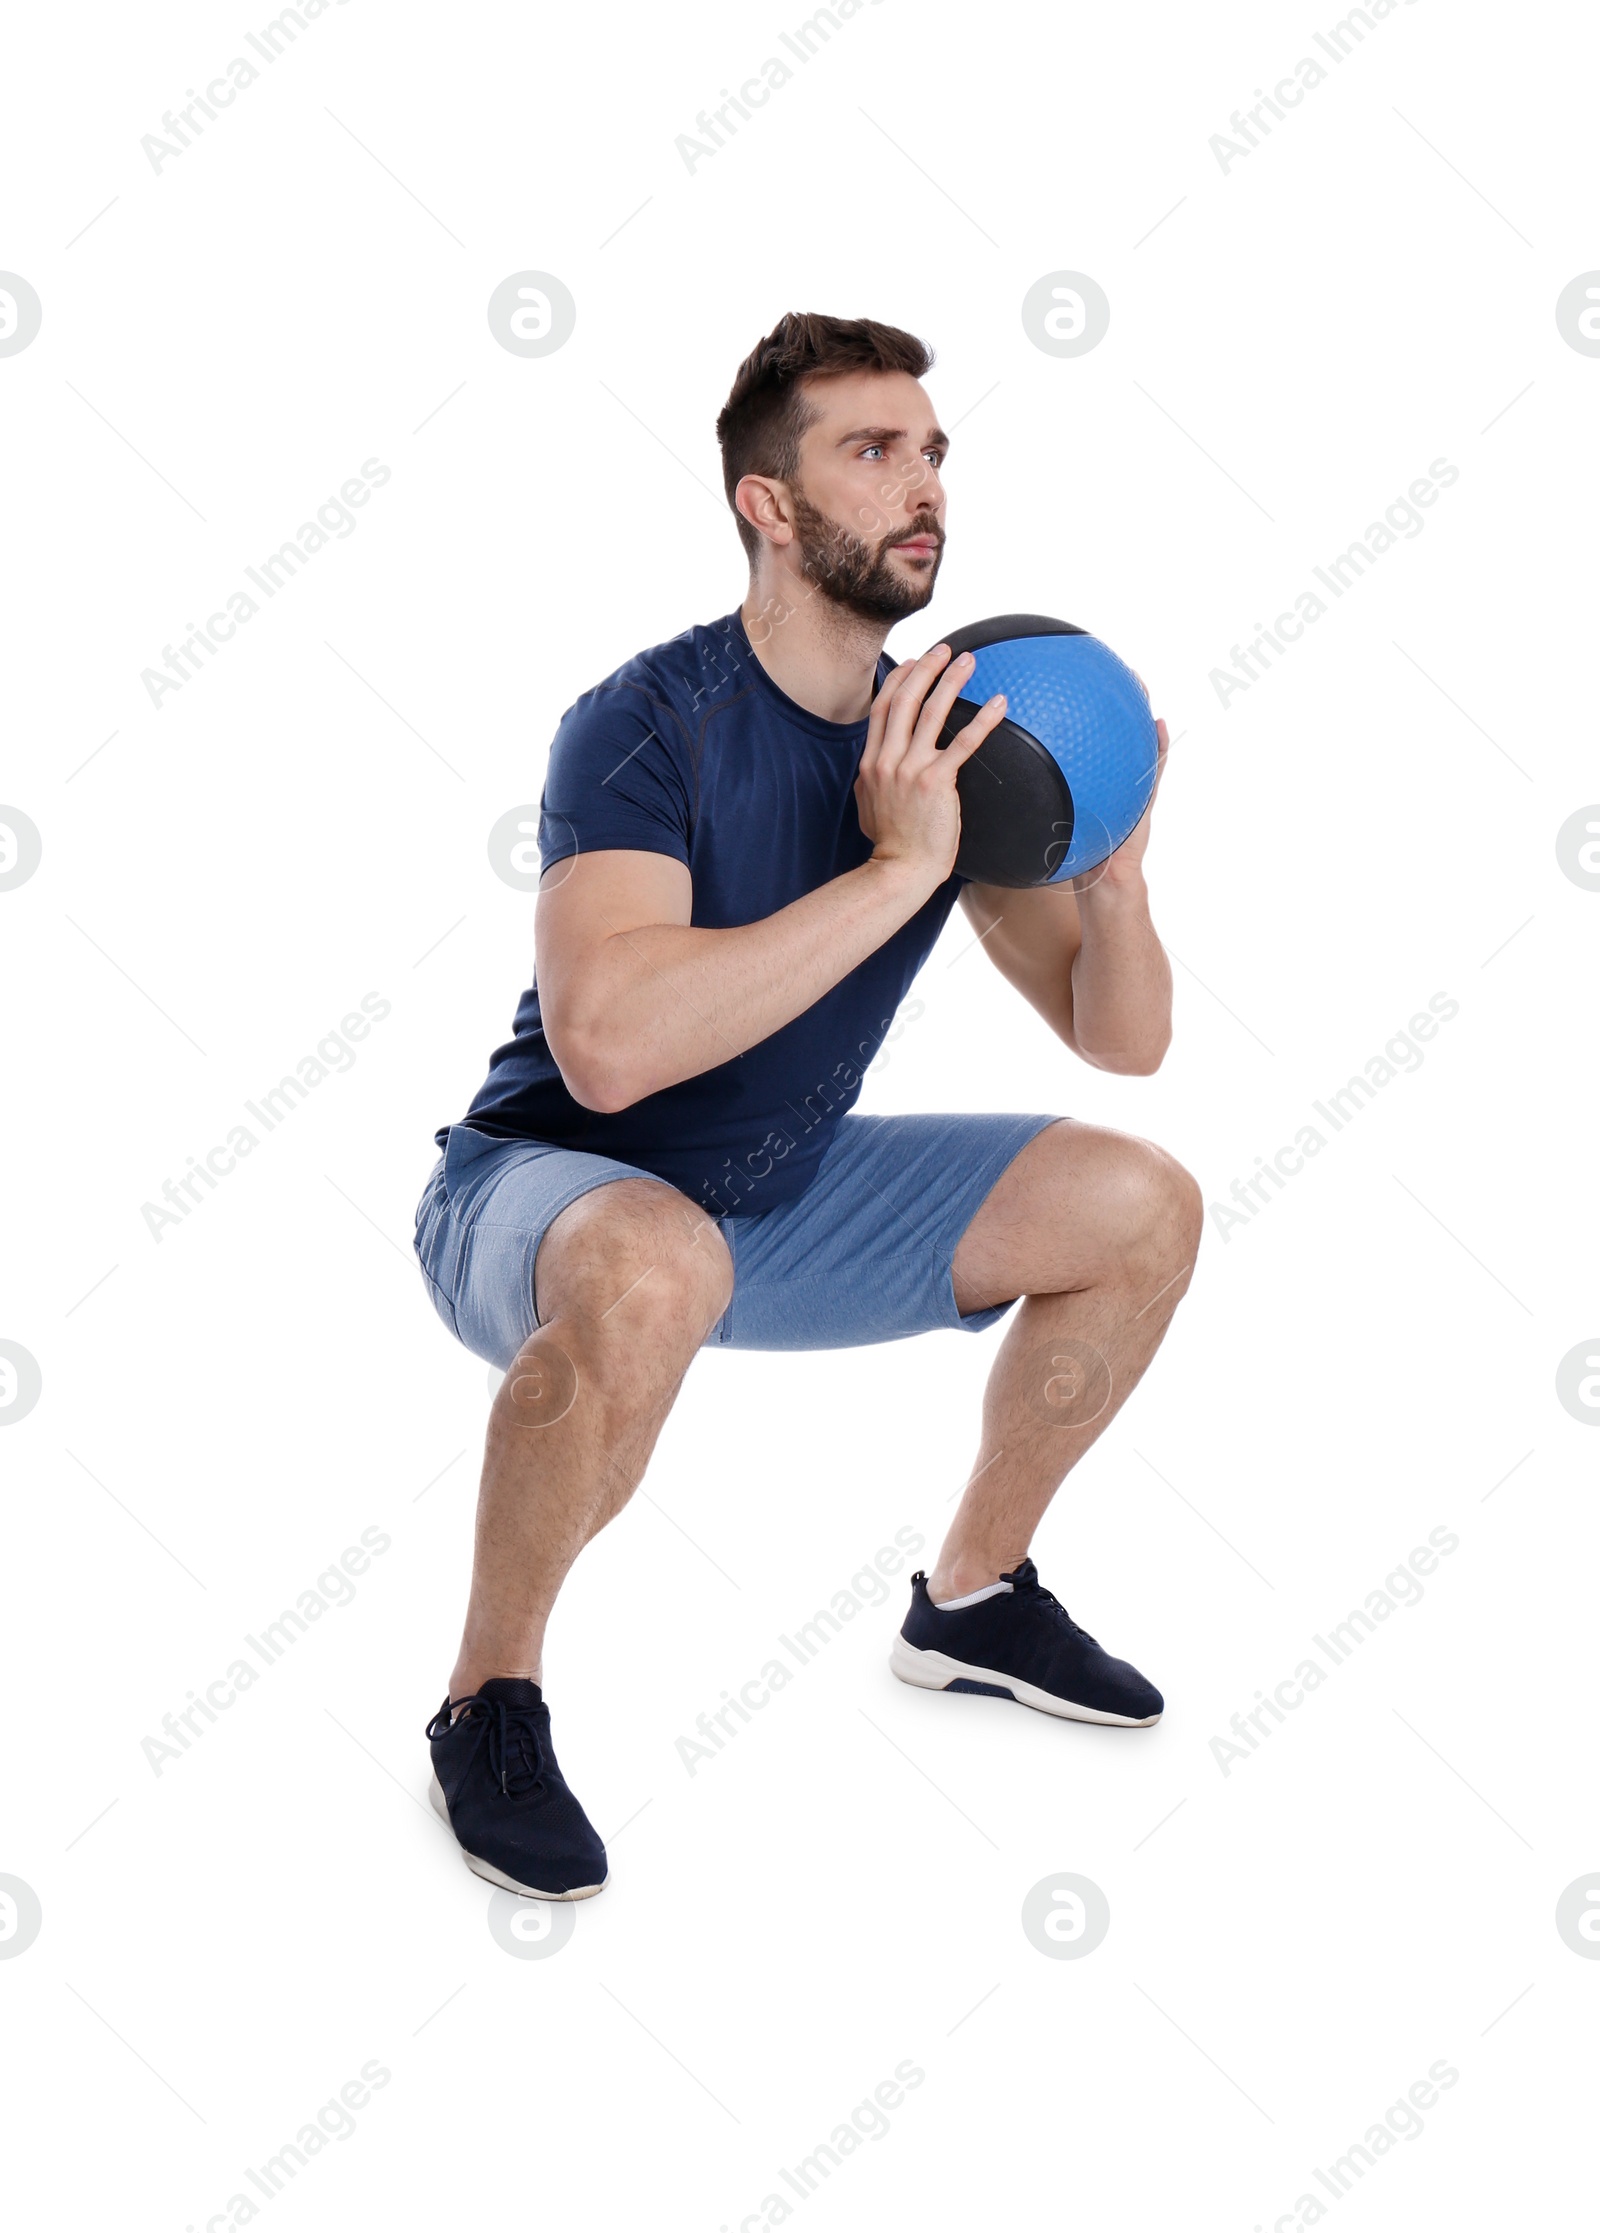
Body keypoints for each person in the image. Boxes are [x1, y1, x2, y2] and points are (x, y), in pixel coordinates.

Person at [414, 311, 1201, 1902]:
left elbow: (1120, 1043)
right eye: (871, 451)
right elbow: (614, 1048)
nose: (923, 488)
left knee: (1142, 1202)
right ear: (766, 507)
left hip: (777, 1192)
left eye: (931, 453)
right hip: (552, 1185)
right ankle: (487, 1699)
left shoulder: (950, 743)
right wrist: (900, 865)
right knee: (656, 1263)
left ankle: (971, 1600)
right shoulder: (647, 722)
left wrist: (1112, 886)